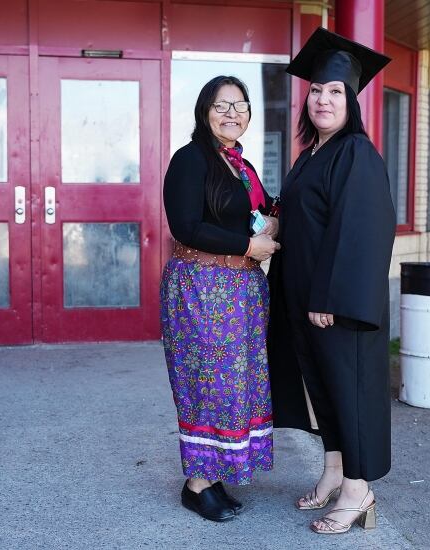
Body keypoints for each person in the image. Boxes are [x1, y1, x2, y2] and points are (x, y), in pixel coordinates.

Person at [267, 27, 395, 535]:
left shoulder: (356, 154)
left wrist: (330, 298)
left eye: (335, 91)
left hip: (337, 304)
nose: (323, 98)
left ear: (351, 101)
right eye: (317, 90)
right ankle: (335, 472)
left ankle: (359, 492)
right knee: (323, 391)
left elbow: (364, 232)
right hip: (305, 298)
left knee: (350, 393)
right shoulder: (311, 155)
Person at [160, 75, 280, 522]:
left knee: (234, 383)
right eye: (221, 105)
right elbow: (185, 226)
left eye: (240, 105)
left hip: (242, 291)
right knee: (206, 382)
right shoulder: (191, 159)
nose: (232, 113)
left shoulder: (240, 165)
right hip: (201, 288)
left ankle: (213, 473)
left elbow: (262, 210)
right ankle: (197, 483)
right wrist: (249, 247)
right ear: (204, 112)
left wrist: (274, 223)